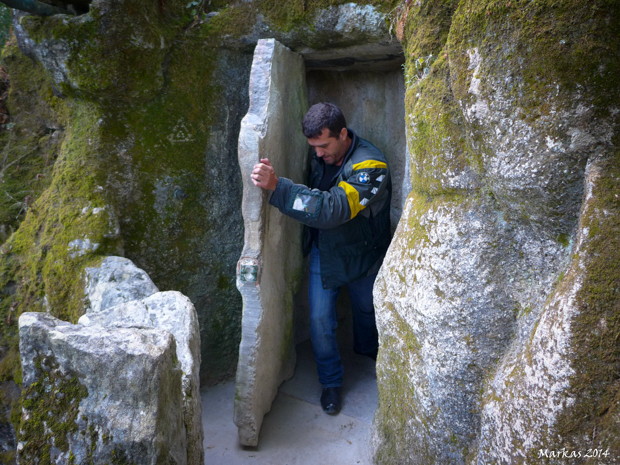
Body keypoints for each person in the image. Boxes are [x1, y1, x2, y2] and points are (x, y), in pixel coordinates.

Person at [251, 102, 392, 415]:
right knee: (319, 321)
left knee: (366, 308)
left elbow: (333, 209)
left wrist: (278, 188)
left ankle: (367, 348)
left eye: (324, 146)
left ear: (343, 134)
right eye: (313, 147)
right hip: (324, 251)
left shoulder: (371, 166)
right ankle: (330, 382)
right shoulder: (320, 157)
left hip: (362, 254)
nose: (318, 154)